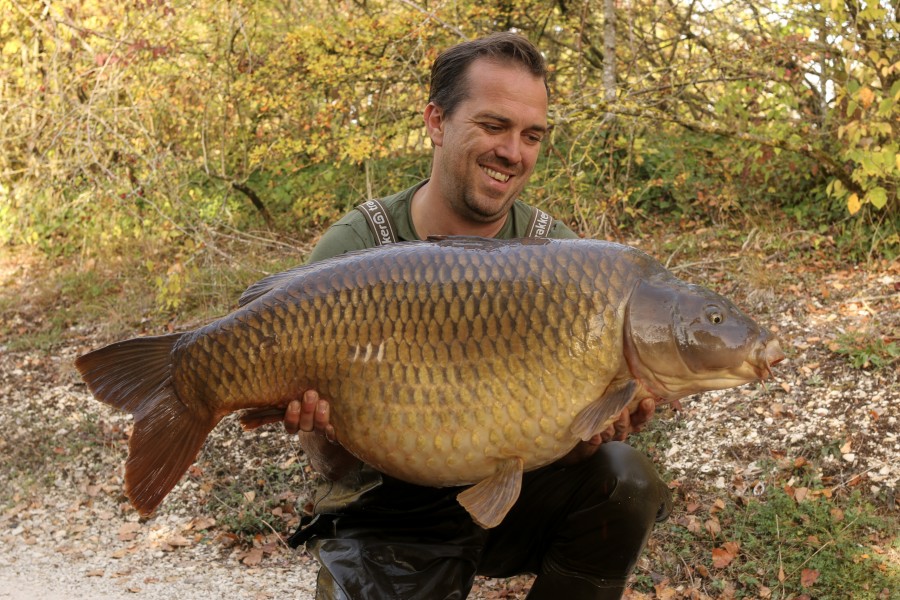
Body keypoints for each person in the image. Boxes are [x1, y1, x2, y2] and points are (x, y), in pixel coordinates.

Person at [282, 32, 672, 599]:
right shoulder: (356, 249)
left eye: (531, 135)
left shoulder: (560, 258)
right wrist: (323, 430)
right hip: (391, 508)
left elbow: (574, 443)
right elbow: (333, 469)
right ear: (437, 123)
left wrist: (595, 430)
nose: (513, 152)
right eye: (494, 126)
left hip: (517, 497)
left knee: (625, 478)